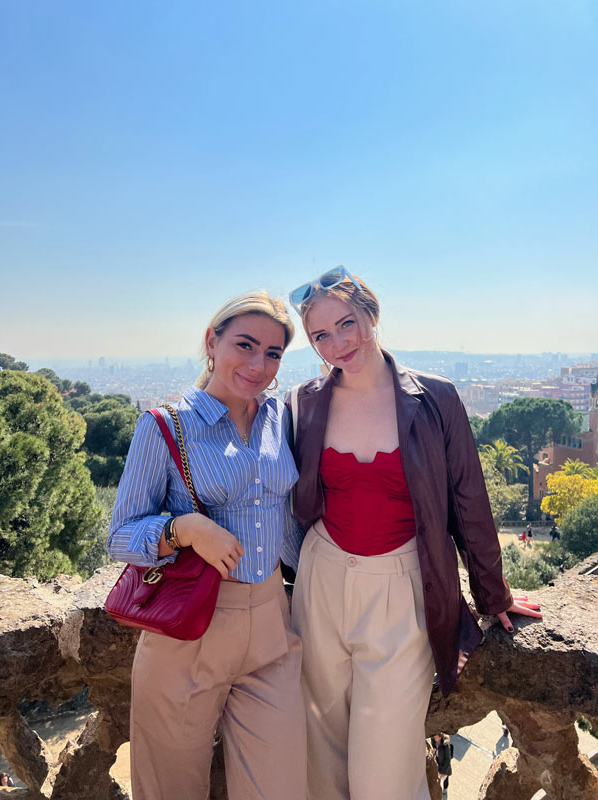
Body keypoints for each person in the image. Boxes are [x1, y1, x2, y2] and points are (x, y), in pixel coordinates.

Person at [282, 267, 542, 800]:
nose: (338, 343)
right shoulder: (303, 401)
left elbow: (469, 501)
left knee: (386, 769)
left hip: (403, 588)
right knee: (319, 751)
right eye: (321, 336)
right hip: (321, 581)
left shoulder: (437, 398)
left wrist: (494, 595)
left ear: (372, 314)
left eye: (347, 323)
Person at [108, 291, 306, 800]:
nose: (259, 364)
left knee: (280, 788)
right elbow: (120, 535)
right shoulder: (166, 426)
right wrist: (185, 530)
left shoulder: (278, 420)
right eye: (245, 344)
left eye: (274, 353)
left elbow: (288, 520)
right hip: (189, 634)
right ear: (211, 343)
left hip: (271, 626)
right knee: (170, 791)